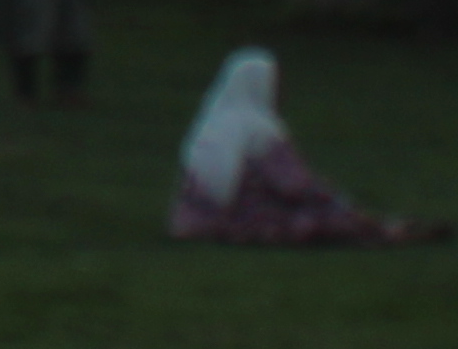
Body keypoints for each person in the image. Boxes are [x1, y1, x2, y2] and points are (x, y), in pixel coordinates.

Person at [166, 46, 435, 244]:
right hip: (239, 222)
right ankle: (390, 232)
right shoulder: (259, 129)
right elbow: (296, 186)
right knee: (324, 221)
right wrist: (348, 209)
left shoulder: (210, 127)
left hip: (193, 222)